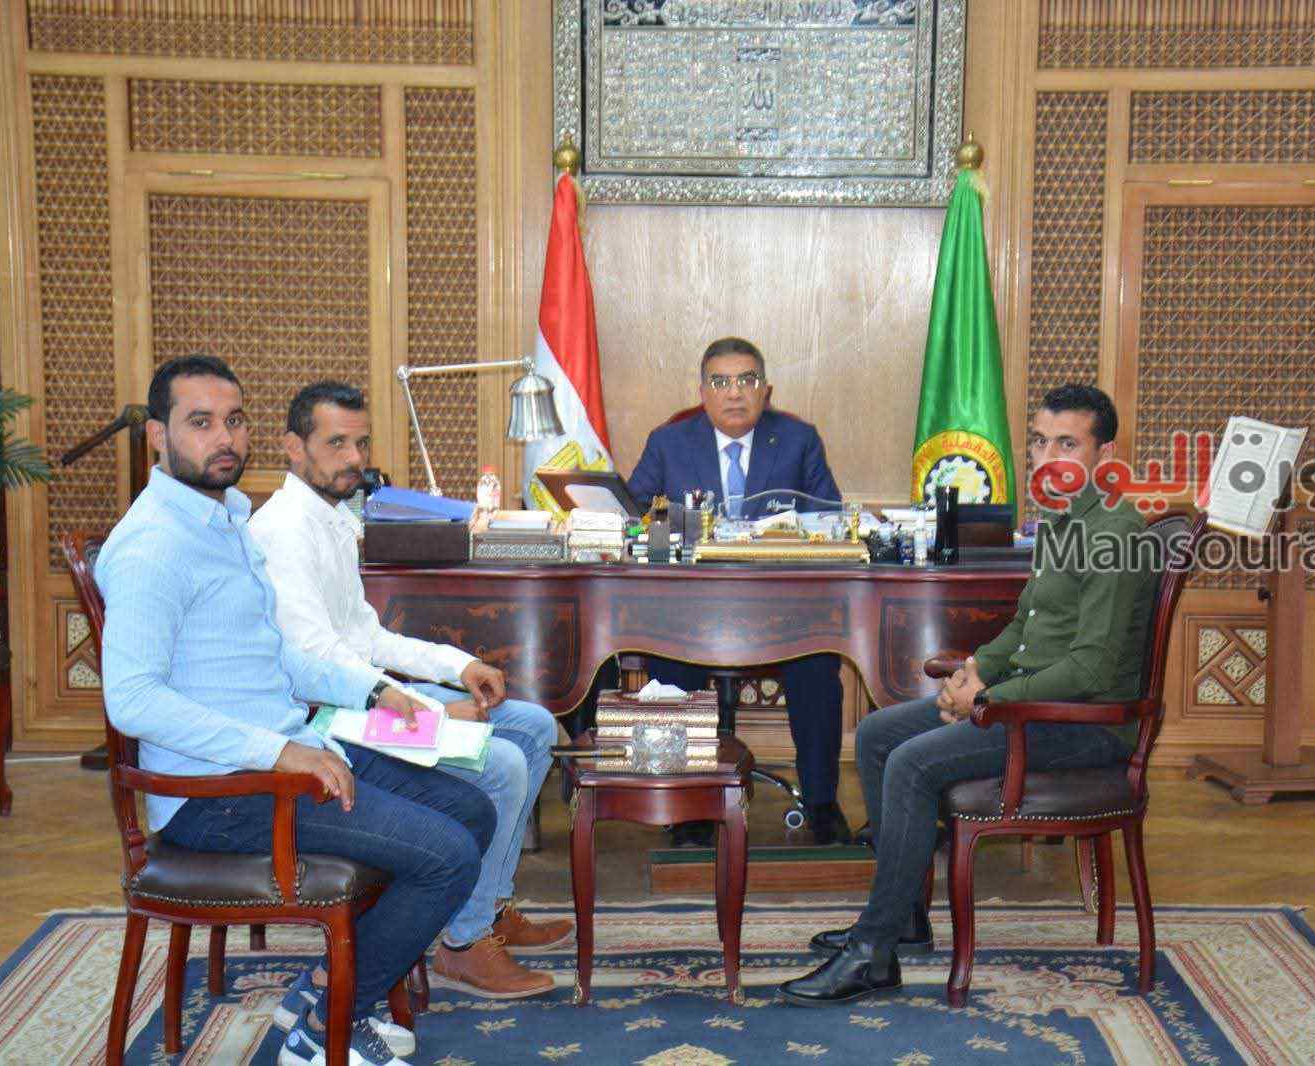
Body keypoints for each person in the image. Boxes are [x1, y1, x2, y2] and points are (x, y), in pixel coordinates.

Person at [97, 355, 494, 1066]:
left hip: (282, 755)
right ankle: (323, 1030)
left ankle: (325, 991)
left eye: (234, 420)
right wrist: (282, 752)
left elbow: (276, 652)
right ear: (158, 435)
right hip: (216, 794)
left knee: (471, 810)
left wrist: (374, 691)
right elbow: (133, 699)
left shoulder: (224, 520)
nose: (224, 437)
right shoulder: (153, 546)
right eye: (200, 422)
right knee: (447, 856)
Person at [777, 384, 1157, 1007]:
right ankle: (905, 917)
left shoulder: (1115, 533)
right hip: (1029, 706)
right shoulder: (1064, 520)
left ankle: (873, 954)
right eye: (1040, 442)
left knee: (912, 762)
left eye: (1067, 444)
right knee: (877, 734)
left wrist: (989, 697)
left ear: (1105, 455)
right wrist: (975, 672)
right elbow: (1027, 626)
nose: (1048, 457)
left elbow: (1091, 669)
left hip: (1082, 724)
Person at [250, 381, 572, 1001]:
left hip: (360, 700)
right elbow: (318, 666)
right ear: (293, 447)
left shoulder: (331, 519)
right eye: (336, 444)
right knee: (502, 763)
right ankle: (464, 944)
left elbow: (366, 637)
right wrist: (429, 711)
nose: (353, 459)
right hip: (325, 726)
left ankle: (488, 905)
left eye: (360, 443)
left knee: (533, 726)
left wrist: (460, 666)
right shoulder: (283, 531)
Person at [625, 336, 850, 846]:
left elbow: (831, 519)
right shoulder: (669, 442)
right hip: (690, 610)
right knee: (670, 660)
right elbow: (630, 514)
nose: (734, 393)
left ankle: (821, 803)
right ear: (702, 391)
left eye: (746, 380)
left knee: (818, 665)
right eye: (720, 382)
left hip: (781, 612)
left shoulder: (797, 440)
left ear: (765, 390)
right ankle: (688, 808)